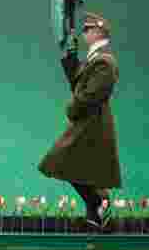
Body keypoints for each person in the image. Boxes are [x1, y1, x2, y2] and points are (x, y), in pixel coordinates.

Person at [39, 12, 122, 229]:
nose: (84, 33)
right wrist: (71, 59)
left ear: (98, 31)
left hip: (93, 121)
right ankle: (96, 216)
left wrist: (72, 108)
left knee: (66, 162)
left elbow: (90, 94)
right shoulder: (95, 58)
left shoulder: (104, 60)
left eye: (87, 29)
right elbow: (78, 84)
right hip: (88, 121)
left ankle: (99, 206)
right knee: (79, 168)